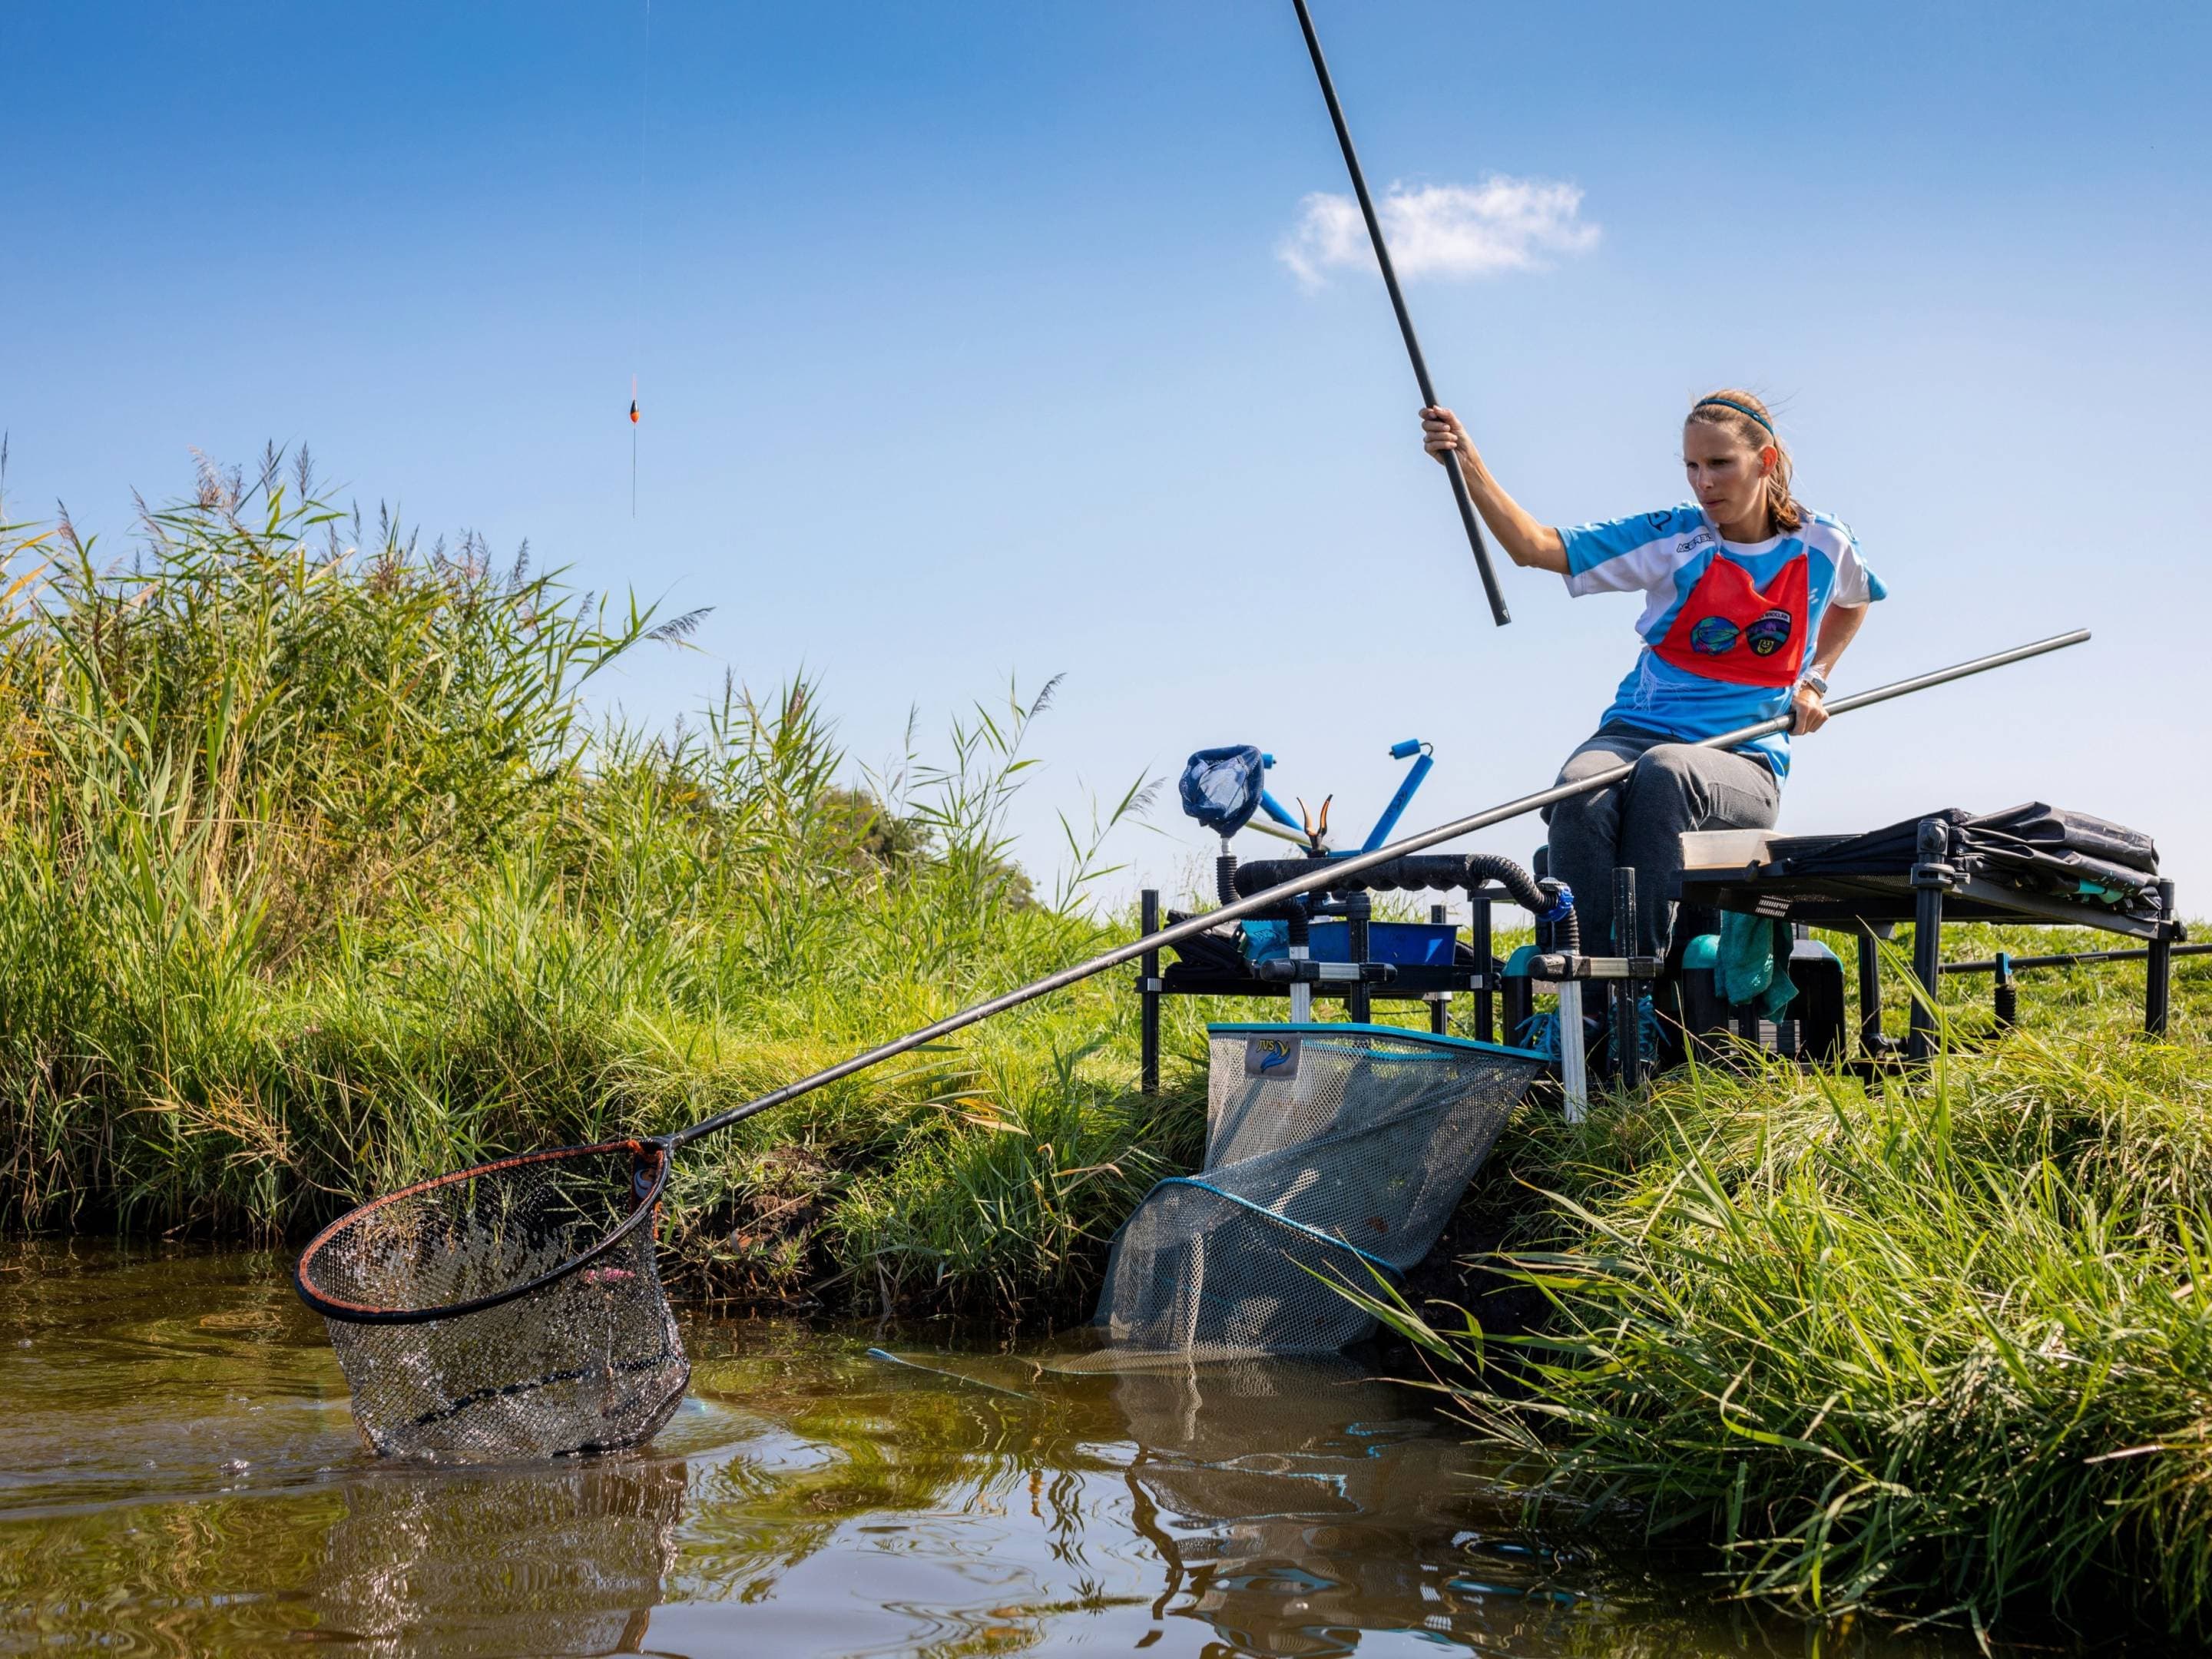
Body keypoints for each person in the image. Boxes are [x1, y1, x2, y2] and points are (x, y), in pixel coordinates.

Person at [1419, 389, 1884, 969]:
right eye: (1692, 465)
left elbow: (1856, 600)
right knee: (1579, 788)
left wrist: (1815, 680)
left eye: (1720, 464)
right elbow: (1533, 547)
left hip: (1744, 759)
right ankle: (1584, 987)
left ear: (1765, 461)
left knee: (1666, 772)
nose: (1703, 482)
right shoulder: (1674, 536)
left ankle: (1636, 980)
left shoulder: (1824, 542)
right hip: (1632, 732)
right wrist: (1466, 460)